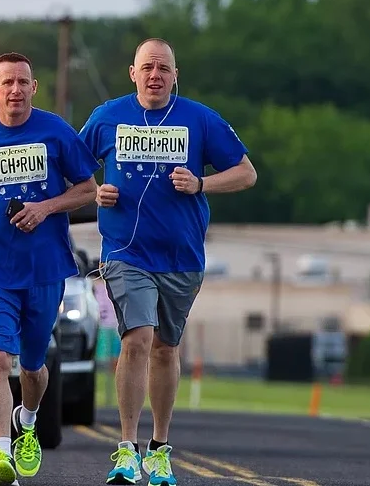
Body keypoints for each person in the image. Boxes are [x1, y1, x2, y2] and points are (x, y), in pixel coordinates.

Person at [78, 38, 256, 486]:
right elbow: (74, 169)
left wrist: (201, 183)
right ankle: (125, 449)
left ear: (175, 75)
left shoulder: (199, 119)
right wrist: (95, 192)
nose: (155, 74)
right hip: (124, 251)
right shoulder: (107, 117)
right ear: (133, 73)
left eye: (164, 67)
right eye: (147, 67)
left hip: (181, 256)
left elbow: (246, 172)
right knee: (137, 337)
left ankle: (159, 448)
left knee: (165, 348)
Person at [0, 52, 99, 486]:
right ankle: (1, 457)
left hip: (44, 270)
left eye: (23, 82)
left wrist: (45, 207)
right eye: (7, 83)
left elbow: (88, 189)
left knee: (32, 368)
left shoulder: (55, 131)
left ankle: (27, 423)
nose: (15, 90)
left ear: (34, 87)